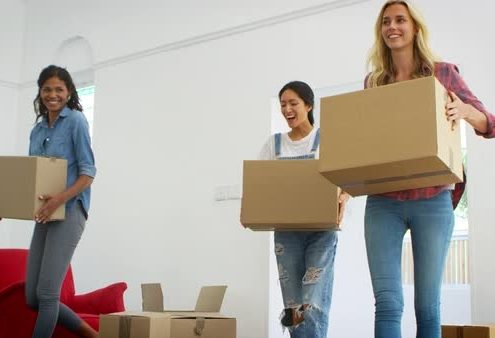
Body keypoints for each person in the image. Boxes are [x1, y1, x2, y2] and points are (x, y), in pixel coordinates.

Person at [364, 2, 495, 338]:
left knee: (427, 305)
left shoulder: (443, 74)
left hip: (433, 199)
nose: (392, 27)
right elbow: (364, 142)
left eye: (400, 20)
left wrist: (464, 109)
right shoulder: (374, 82)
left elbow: (488, 124)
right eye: (386, 22)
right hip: (384, 201)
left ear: (415, 28)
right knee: (388, 303)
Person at [258, 80, 349, 338]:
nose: (287, 109)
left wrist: (345, 196)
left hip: (321, 231)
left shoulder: (326, 141)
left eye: (293, 103)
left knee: (312, 302)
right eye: (283, 104)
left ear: (308, 105)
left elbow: (348, 178)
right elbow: (259, 185)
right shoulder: (273, 145)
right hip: (287, 234)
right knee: (293, 306)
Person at [26, 65, 97, 338]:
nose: (52, 94)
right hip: (45, 212)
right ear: (40, 92)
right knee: (32, 297)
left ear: (68, 93)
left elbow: (88, 173)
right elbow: (30, 176)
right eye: (47, 89)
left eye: (59, 89)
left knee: (46, 293)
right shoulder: (37, 129)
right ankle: (93, 334)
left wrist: (59, 199)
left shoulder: (76, 121)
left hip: (70, 210)